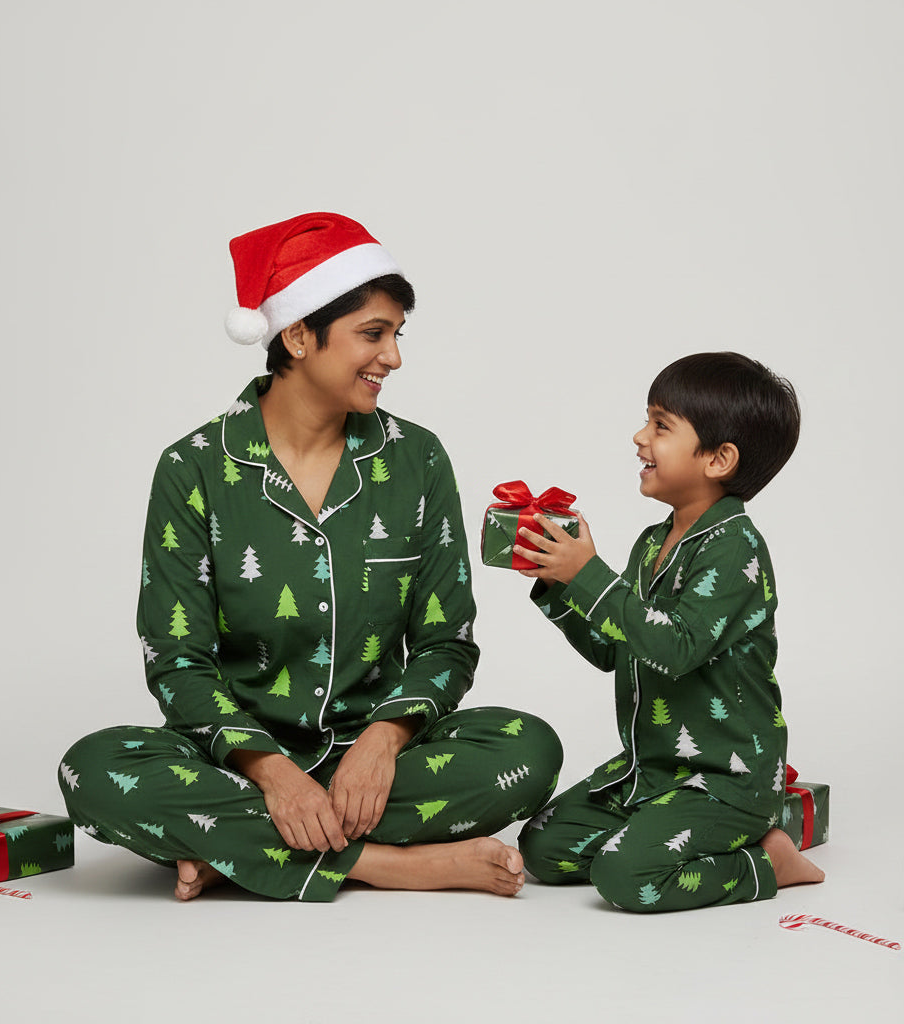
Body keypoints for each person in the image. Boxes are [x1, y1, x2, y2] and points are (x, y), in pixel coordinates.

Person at [58, 213, 562, 902]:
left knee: (529, 748)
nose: (394, 358)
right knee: (92, 770)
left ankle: (230, 848)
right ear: (297, 335)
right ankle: (386, 865)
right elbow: (177, 661)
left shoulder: (416, 458)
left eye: (396, 335)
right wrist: (271, 771)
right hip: (239, 766)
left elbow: (448, 643)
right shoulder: (194, 467)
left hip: (379, 764)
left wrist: (382, 742)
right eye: (373, 334)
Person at [514, 352, 823, 912]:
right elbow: (615, 650)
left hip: (723, 778)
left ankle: (766, 860)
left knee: (626, 877)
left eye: (660, 425)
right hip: (650, 769)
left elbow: (677, 648)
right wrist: (558, 584)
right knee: (544, 848)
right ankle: (670, 835)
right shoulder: (651, 544)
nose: (639, 437)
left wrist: (589, 575)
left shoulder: (734, 547)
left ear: (719, 458)